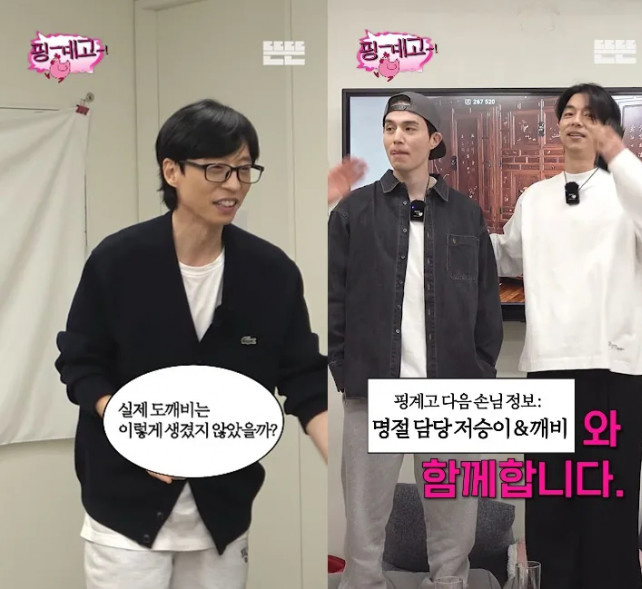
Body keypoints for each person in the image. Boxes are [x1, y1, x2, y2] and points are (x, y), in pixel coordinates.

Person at [55, 98, 328, 589]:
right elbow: (81, 363)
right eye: (217, 169)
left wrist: (344, 458)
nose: (234, 185)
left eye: (244, 170)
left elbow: (304, 377)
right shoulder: (119, 261)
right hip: (125, 511)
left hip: (222, 512)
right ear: (172, 171)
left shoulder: (271, 273)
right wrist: (137, 429)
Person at [328, 91, 503, 589]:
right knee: (364, 528)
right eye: (389, 128)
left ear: (434, 138)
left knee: (454, 526)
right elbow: (332, 297)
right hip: (373, 391)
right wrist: (344, 369)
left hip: (449, 394)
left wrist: (479, 375)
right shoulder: (353, 211)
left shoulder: (466, 215)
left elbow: (487, 305)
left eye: (409, 128)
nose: (397, 138)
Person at [490, 83, 642, 589]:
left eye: (590, 114)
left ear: (609, 128)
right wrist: (440, 230)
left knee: (608, 510)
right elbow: (506, 256)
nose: (576, 121)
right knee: (549, 509)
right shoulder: (535, 197)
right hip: (547, 369)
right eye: (568, 112)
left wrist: (618, 156)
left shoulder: (629, 191)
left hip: (612, 371)